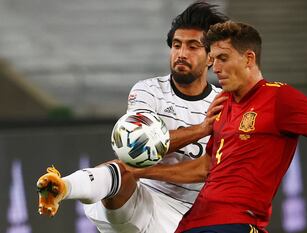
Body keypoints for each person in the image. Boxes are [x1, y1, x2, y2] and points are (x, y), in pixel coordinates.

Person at [129, 21, 307, 233]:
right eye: (213, 59)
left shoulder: (280, 97)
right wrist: (141, 172)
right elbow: (206, 166)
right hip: (193, 223)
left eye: (223, 58)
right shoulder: (222, 103)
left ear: (248, 58)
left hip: (238, 221)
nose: (215, 68)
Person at [36, 2, 228, 232]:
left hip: (188, 215)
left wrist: (142, 170)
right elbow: (138, 143)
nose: (181, 54)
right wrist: (201, 130)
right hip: (140, 199)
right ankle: (62, 187)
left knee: (129, 169)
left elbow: (206, 169)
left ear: (211, 58)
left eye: (193, 46)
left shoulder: (225, 104)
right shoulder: (148, 90)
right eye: (176, 45)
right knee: (125, 169)